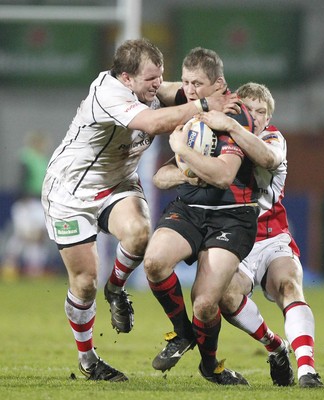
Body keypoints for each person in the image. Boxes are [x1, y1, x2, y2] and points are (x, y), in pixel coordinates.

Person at [40, 38, 239, 382]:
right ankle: (88, 361)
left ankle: (116, 289)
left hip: (117, 185)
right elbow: (152, 124)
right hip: (70, 192)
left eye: (160, 76)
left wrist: (224, 97)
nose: (157, 85)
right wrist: (206, 103)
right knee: (85, 282)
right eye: (151, 79)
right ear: (127, 79)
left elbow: (182, 92)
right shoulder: (108, 93)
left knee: (139, 234)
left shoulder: (148, 88)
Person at [153, 82, 323, 388]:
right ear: (238, 107)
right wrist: (187, 166)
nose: (255, 117)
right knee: (223, 299)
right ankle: (276, 347)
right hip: (232, 236)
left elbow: (268, 159)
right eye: (250, 109)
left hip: (271, 236)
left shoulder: (271, 138)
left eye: (262, 112)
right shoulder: (213, 140)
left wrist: (230, 124)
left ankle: (308, 371)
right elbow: (162, 175)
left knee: (288, 285)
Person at [142, 47, 260, 386]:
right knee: (154, 262)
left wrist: (181, 150)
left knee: (206, 304)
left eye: (198, 84)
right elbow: (161, 178)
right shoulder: (194, 100)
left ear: (219, 84)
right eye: (187, 82)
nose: (190, 91)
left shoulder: (234, 115)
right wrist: (186, 174)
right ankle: (182, 335)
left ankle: (210, 366)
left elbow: (223, 176)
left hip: (231, 216)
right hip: (189, 210)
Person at [2, 131, 52, 278]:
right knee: (23, 235)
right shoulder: (26, 157)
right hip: (26, 201)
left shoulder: (43, 159)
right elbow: (21, 177)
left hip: (39, 201)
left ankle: (34, 269)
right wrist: (22, 197)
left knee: (38, 237)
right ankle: (9, 267)